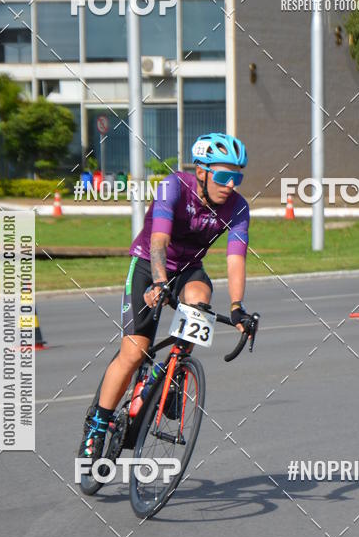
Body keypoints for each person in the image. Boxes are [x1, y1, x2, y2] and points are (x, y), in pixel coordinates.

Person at [80, 132, 254, 465]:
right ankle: (97, 425)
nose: (230, 184)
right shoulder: (173, 187)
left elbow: (236, 259)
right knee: (133, 353)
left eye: (237, 177)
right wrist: (159, 282)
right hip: (149, 264)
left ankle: (173, 374)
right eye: (222, 176)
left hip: (189, 269)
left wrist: (237, 307)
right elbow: (159, 240)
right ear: (201, 171)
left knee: (200, 300)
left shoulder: (238, 207)